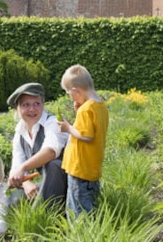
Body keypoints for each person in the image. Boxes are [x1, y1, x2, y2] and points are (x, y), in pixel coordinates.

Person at [57, 64, 109, 216]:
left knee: (77, 210)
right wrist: (78, 112)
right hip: (91, 168)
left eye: (69, 94)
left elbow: (86, 135)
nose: (70, 97)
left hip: (80, 169)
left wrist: (68, 128)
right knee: (89, 205)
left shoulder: (86, 110)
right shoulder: (99, 106)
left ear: (76, 91)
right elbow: (92, 129)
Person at [6, 82, 68, 205]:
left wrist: (23, 168)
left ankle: (44, 217)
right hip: (49, 185)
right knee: (12, 198)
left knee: (54, 164)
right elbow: (16, 166)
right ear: (17, 109)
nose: (32, 109)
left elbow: (50, 151)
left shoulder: (53, 123)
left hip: (70, 183)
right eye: (25, 105)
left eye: (37, 104)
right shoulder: (20, 133)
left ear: (43, 105)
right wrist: (25, 183)